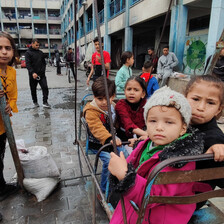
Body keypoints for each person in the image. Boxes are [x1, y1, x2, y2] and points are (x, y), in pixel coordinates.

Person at [109, 86, 204, 224]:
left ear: (183, 128)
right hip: (136, 204)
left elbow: (154, 196)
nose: (159, 127)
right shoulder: (146, 143)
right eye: (153, 121)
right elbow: (130, 163)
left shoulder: (180, 159)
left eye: (169, 122)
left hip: (158, 215)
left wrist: (125, 176)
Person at [83, 76, 127, 193]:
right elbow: (97, 128)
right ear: (94, 97)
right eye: (100, 98)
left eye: (107, 98)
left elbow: (118, 122)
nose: (104, 102)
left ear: (113, 96)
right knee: (109, 161)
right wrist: (108, 139)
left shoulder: (112, 107)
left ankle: (121, 179)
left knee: (125, 154)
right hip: (98, 144)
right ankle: (104, 189)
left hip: (112, 141)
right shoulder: (91, 111)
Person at [185, 75, 224, 196]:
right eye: (196, 99)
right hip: (166, 190)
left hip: (189, 199)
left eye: (210, 103)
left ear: (218, 109)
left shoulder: (215, 139)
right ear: (184, 98)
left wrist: (220, 153)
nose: (201, 108)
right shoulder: (178, 123)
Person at [0, 31, 19, 220]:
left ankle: (2, 186)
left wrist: (9, 105)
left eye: (8, 48)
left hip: (3, 125)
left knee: (0, 157)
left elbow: (13, 97)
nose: (4, 52)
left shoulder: (12, 71)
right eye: (0, 48)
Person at [115, 76, 148, 141]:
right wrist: (148, 135)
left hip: (143, 136)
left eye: (136, 90)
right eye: (129, 89)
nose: (131, 93)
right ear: (125, 91)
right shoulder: (121, 105)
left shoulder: (146, 104)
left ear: (143, 93)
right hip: (124, 139)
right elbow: (128, 124)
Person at [25, 39, 51, 108]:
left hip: (41, 75)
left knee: (45, 87)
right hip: (33, 75)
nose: (37, 46)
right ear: (32, 44)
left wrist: (43, 70)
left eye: (38, 45)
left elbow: (43, 63)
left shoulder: (40, 53)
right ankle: (35, 102)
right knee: (33, 89)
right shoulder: (28, 53)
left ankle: (45, 102)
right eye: (36, 45)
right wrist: (32, 72)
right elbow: (28, 64)